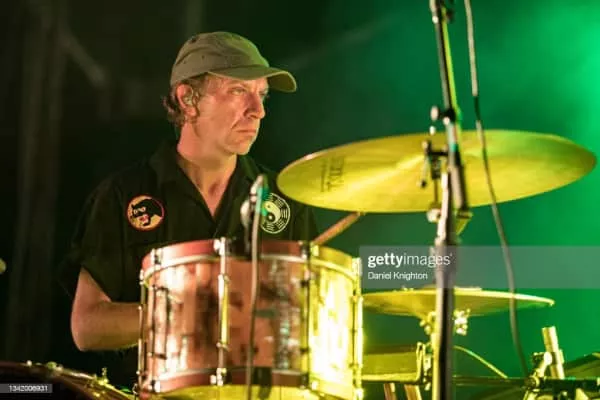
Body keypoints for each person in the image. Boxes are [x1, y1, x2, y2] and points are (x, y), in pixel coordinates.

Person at [59, 31, 318, 390]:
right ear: (188, 99)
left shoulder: (286, 201)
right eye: (239, 91)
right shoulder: (122, 195)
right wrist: (190, 311)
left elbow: (312, 323)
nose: (258, 110)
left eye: (262, 94)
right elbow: (87, 327)